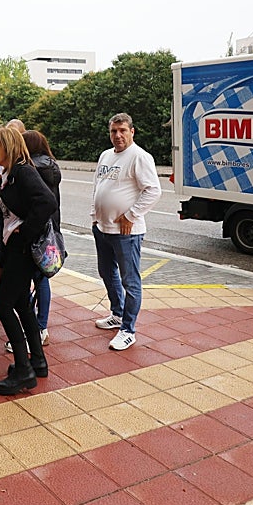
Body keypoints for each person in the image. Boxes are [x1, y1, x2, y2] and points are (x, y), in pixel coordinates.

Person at [0, 125, 56, 394]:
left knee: (2, 304)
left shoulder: (23, 171)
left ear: (7, 147)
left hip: (22, 251)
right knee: (21, 304)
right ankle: (37, 361)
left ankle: (24, 370)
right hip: (13, 249)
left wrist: (26, 232)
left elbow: (47, 202)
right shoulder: (8, 174)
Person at [91, 112, 162, 351]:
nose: (118, 135)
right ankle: (117, 314)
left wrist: (131, 215)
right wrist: (94, 217)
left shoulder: (139, 157)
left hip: (126, 232)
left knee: (130, 281)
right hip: (102, 228)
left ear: (132, 131)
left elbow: (153, 190)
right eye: (114, 131)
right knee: (106, 272)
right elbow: (98, 187)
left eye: (122, 130)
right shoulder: (105, 155)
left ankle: (128, 330)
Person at [22, 129, 60, 347]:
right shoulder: (52, 165)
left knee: (27, 278)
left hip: (35, 230)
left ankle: (34, 327)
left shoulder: (31, 169)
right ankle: (42, 325)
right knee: (42, 277)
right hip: (51, 230)